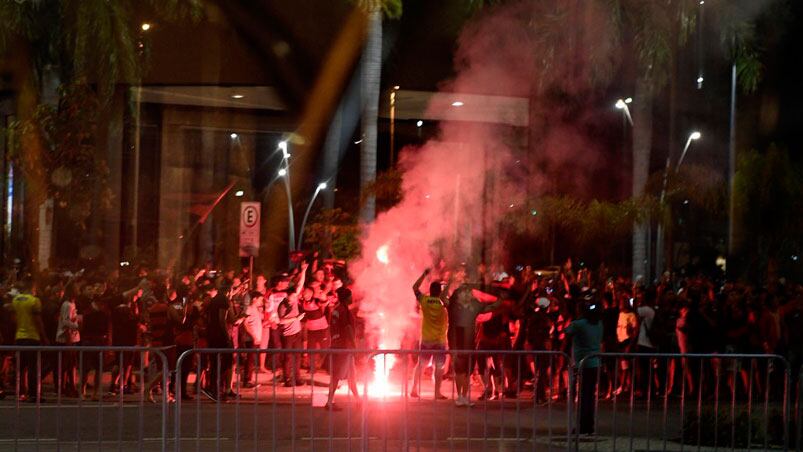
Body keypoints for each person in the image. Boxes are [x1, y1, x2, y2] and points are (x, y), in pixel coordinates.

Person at [446, 268, 501, 407]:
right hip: (460, 340)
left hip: (466, 340)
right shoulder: (461, 306)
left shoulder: (469, 306)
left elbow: (492, 307)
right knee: (461, 370)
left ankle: (463, 396)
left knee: (466, 371)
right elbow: (495, 303)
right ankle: (461, 396)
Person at [409, 268, 449, 400]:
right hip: (440, 340)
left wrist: (424, 274)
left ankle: (414, 389)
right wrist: (450, 282)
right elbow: (446, 299)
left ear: (430, 291)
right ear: (440, 292)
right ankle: (437, 393)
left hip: (426, 339)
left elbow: (414, 287)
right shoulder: (443, 303)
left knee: (421, 364)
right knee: (439, 367)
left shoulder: (425, 301)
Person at [7, 278, 49, 402]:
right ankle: (33, 394)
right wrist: (44, 336)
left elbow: (13, 319)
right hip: (32, 337)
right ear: (33, 288)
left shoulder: (15, 300)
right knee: (33, 368)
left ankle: (21, 393)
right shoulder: (34, 301)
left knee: (20, 367)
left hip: (19, 337)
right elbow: (38, 321)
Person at [566, 300, 603, 436]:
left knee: (583, 396)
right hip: (595, 363)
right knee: (590, 396)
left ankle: (582, 425)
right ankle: (589, 425)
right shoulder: (598, 323)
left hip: (583, 363)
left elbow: (566, 333)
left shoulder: (578, 324)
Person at [324, 286, 360, 410]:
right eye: (350, 296)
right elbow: (348, 328)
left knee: (351, 375)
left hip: (337, 346)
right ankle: (329, 402)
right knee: (336, 376)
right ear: (346, 298)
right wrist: (354, 346)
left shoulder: (336, 310)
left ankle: (358, 400)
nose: (352, 298)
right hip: (344, 348)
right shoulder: (344, 311)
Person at [277, 262, 308, 386]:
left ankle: (298, 378)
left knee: (297, 356)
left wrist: (304, 271)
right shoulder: (283, 305)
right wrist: (296, 318)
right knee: (288, 357)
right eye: (292, 298)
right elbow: (281, 320)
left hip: (297, 333)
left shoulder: (294, 299)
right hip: (288, 335)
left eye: (295, 297)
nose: (294, 299)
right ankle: (287, 379)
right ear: (287, 296)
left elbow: (300, 285)